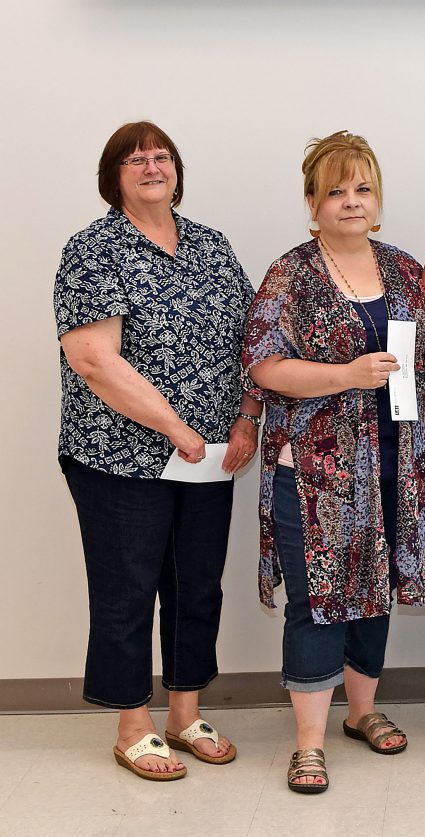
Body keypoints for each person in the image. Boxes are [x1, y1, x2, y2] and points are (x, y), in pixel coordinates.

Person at [55, 121, 259, 781]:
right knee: (127, 589)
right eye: (135, 158)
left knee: (196, 585)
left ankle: (185, 711)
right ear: (114, 175)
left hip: (210, 455)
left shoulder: (210, 244)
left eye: (161, 155)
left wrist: (249, 417)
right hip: (118, 455)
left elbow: (253, 338)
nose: (151, 165)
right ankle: (133, 724)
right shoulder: (95, 248)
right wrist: (174, 425)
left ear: (177, 170)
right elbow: (92, 357)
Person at [242, 131, 425, 793]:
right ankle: (308, 743)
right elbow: (264, 365)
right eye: (336, 191)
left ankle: (361, 711)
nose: (351, 201)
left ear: (377, 198)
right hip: (316, 473)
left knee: (373, 590)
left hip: (392, 463)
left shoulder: (406, 268)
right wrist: (346, 373)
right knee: (317, 602)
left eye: (362, 188)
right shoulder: (290, 273)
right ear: (313, 202)